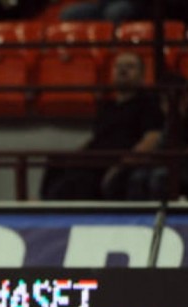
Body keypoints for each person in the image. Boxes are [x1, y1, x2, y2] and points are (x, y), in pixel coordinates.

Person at [40, 51, 164, 200]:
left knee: (75, 182)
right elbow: (97, 138)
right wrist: (76, 155)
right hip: (93, 159)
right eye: (118, 66)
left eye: (130, 67)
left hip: (114, 162)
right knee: (55, 163)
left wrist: (121, 166)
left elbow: (151, 139)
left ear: (142, 75)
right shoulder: (107, 107)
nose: (123, 70)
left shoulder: (148, 104)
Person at [59, 0, 144, 23]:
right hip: (102, 5)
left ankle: (112, 47)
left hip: (129, 3)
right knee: (68, 14)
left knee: (113, 12)